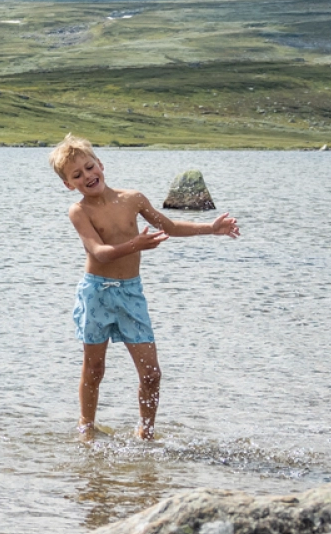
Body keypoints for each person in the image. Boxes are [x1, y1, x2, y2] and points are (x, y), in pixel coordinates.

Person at [51, 136, 238, 439]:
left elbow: (171, 227)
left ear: (101, 164)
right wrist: (134, 244)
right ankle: (86, 428)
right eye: (77, 175)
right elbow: (98, 252)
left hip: (130, 293)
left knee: (151, 373)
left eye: (89, 167)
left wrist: (211, 229)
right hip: (96, 293)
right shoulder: (79, 211)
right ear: (68, 184)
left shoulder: (133, 199)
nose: (87, 176)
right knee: (95, 368)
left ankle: (145, 433)